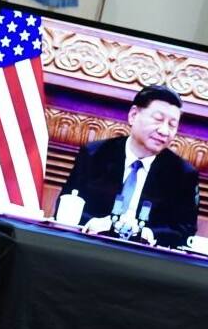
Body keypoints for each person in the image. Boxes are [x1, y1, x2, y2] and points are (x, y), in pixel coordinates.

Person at [57, 85, 199, 248]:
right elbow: (66, 207)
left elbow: (185, 230)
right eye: (158, 120)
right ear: (133, 115)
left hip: (146, 261)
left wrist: (150, 233)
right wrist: (93, 222)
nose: (164, 131)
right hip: (89, 248)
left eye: (172, 125)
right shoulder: (95, 154)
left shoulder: (182, 174)